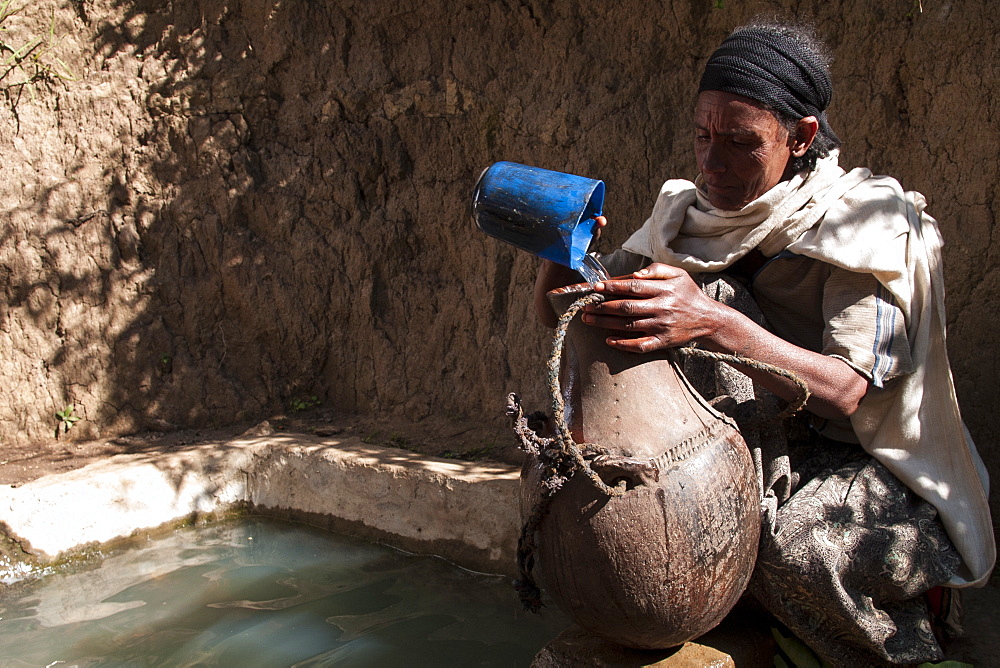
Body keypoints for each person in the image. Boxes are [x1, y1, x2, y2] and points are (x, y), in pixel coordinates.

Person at [534, 20, 994, 666]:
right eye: (702, 136)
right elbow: (578, 314)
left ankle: (912, 636)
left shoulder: (865, 225)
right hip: (754, 453)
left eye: (740, 143)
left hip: (868, 464)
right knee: (699, 533)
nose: (711, 161)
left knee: (789, 552)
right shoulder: (686, 218)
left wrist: (712, 321)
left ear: (800, 136)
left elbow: (850, 391)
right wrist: (562, 249)